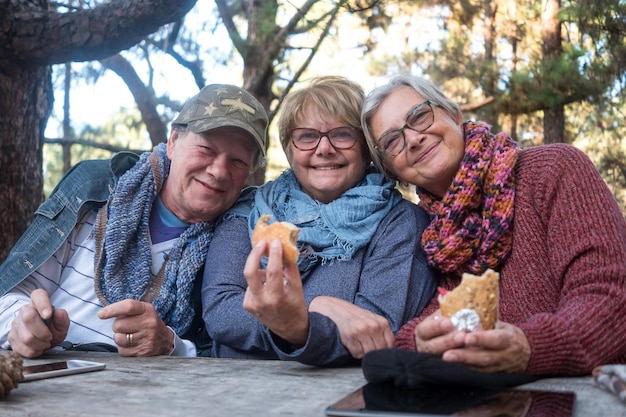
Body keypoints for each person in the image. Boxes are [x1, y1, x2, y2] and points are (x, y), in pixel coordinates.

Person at [360, 73, 626, 375]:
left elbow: (612, 297)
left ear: (455, 114)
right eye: (393, 140)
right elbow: (420, 324)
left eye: (420, 116)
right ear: (392, 171)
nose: (413, 139)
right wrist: (421, 343)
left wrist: (531, 346)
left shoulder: (555, 170)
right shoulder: (425, 232)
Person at [0, 84, 269, 358]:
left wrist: (170, 344)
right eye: (207, 149)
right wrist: (20, 326)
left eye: (237, 162)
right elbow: (11, 290)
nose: (219, 171)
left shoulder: (237, 245)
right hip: (45, 376)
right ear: (174, 141)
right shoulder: (94, 188)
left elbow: (225, 354)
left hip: (146, 394)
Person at [201, 76, 436, 366]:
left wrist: (298, 324)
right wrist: (318, 307)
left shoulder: (400, 223)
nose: (324, 148)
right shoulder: (250, 210)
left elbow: (373, 332)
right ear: (290, 150)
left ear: (366, 148)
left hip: (339, 395)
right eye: (307, 136)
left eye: (342, 135)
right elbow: (221, 311)